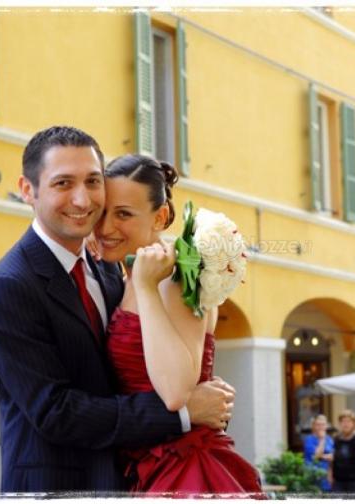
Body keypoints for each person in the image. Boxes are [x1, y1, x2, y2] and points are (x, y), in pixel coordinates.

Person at [0, 126, 234, 492]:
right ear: (27, 190)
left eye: (92, 181)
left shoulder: (112, 268)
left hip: (137, 474)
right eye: (63, 183)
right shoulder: (9, 285)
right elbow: (56, 412)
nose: (82, 201)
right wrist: (182, 415)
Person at [94, 154, 262, 496]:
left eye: (123, 214)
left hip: (183, 467)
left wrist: (145, 287)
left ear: (162, 216)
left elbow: (175, 394)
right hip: (144, 457)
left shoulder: (176, 281)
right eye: (103, 213)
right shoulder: (127, 274)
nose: (106, 227)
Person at [328, 410, 355, 497]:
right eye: (343, 421)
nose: (346, 424)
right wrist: (329, 475)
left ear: (353, 423)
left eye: (348, 421)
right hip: (338, 482)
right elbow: (333, 460)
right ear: (340, 423)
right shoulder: (336, 439)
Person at [303, 414, 334, 492]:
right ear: (313, 426)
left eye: (323, 425)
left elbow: (334, 456)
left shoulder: (330, 440)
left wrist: (323, 456)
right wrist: (322, 439)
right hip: (313, 477)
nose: (321, 427)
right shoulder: (309, 440)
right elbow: (316, 456)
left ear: (326, 426)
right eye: (318, 425)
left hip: (327, 477)